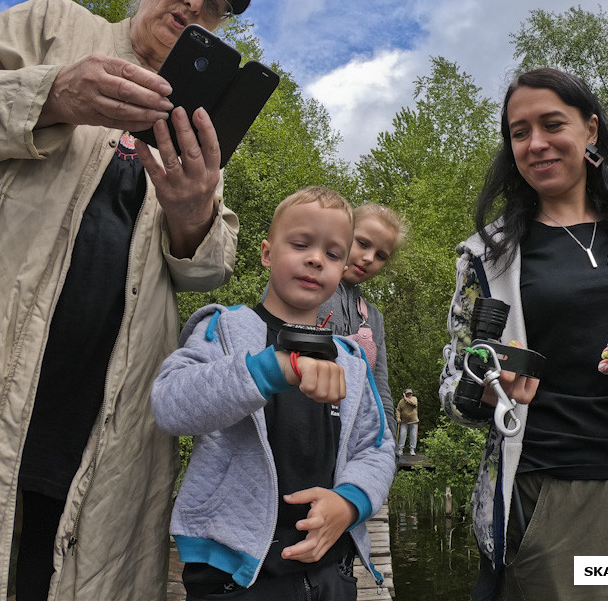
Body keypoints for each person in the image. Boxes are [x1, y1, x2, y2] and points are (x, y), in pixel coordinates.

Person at [0, 0, 250, 600]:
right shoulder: (55, 25)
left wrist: (193, 214)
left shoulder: (196, 119)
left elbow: (210, 267)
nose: (196, 3)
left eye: (215, 5)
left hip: (99, 422)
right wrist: (53, 94)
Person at [439, 68, 608, 601]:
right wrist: (490, 387)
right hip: (565, 511)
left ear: (590, 130)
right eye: (520, 133)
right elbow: (455, 384)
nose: (536, 143)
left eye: (551, 124)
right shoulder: (486, 257)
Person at [152, 187, 396, 601]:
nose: (317, 259)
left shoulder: (352, 361)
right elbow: (170, 404)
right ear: (267, 253)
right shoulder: (223, 329)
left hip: (330, 572)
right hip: (233, 574)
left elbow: (377, 448)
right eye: (301, 244)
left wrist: (349, 504)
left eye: (334, 255)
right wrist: (272, 369)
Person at [318, 203, 407, 436]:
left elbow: (379, 388)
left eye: (380, 256)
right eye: (363, 243)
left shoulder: (373, 318)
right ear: (343, 234)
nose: (368, 258)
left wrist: (387, 447)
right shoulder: (306, 289)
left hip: (355, 440)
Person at [396, 389, 419, 456]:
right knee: (402, 435)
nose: (409, 395)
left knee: (413, 436)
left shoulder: (414, 399)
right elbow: (398, 410)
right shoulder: (401, 402)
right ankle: (400, 449)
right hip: (404, 421)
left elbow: (414, 403)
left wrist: (406, 399)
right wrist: (398, 417)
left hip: (413, 421)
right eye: (408, 394)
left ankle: (412, 449)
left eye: (410, 394)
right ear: (405, 394)